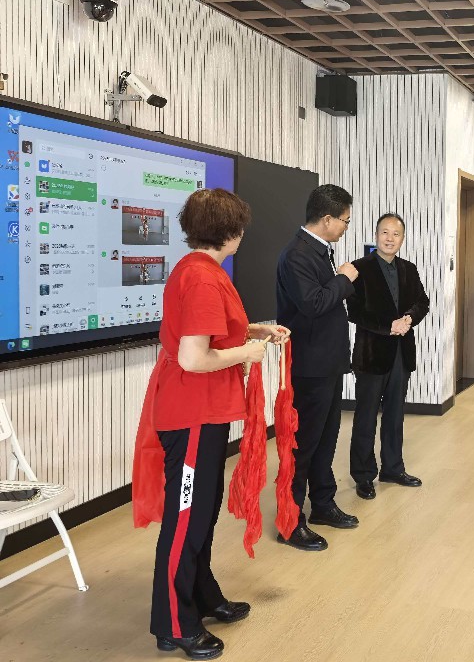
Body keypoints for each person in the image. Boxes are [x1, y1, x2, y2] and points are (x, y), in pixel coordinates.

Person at [148, 188, 288, 659]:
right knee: (187, 518)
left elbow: (209, 334)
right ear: (230, 231)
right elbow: (193, 358)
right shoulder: (203, 279)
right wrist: (248, 351)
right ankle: (174, 622)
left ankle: (201, 596)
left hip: (204, 412)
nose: (242, 234)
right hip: (191, 413)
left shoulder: (202, 271)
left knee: (202, 512)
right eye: (240, 227)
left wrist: (254, 331)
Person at [275, 184, 361, 552]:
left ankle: (323, 504)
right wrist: (344, 278)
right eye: (344, 221)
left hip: (327, 363)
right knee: (303, 445)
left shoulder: (319, 249)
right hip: (309, 366)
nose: (345, 227)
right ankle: (290, 521)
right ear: (326, 219)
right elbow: (313, 304)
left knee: (326, 440)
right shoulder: (297, 254)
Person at [348, 213, 430, 500]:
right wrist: (388, 326)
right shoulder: (359, 268)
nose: (390, 238)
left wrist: (409, 318)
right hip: (372, 354)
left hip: (401, 354)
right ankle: (363, 475)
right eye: (385, 232)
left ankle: (393, 468)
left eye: (396, 234)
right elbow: (354, 312)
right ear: (376, 235)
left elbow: (422, 302)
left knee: (395, 415)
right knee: (366, 416)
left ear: (402, 239)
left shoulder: (409, 269)